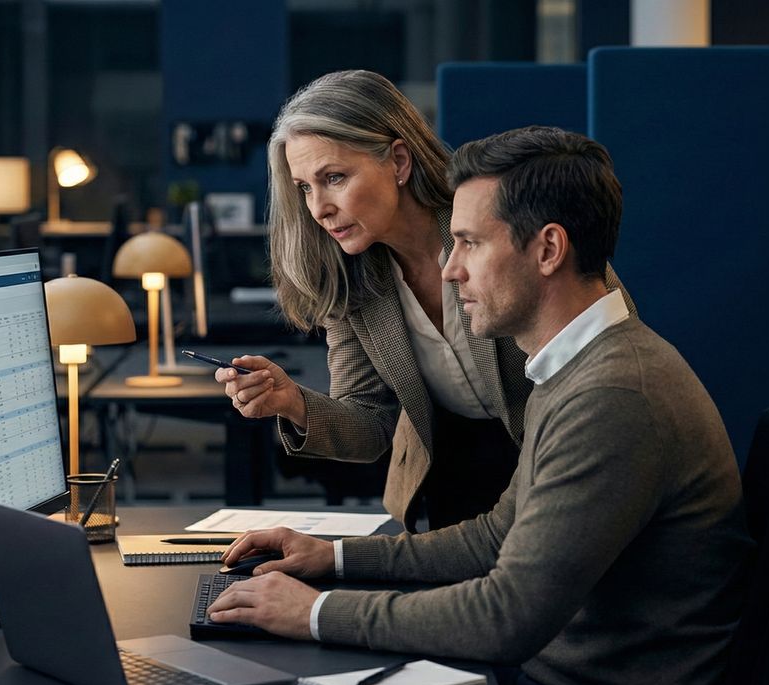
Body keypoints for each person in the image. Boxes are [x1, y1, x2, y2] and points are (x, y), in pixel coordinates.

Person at [207, 127, 752, 685]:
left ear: (547, 250)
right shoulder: (570, 368)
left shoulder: (612, 396)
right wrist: (335, 558)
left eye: (469, 243)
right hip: (554, 669)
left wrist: (316, 613)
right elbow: (495, 538)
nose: (449, 270)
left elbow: (506, 618)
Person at [215, 70, 635, 530]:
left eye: (334, 177)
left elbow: (610, 338)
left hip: (557, 464)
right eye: (305, 188)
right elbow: (373, 423)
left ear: (398, 161)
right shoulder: (348, 277)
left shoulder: (496, 217)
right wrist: (292, 401)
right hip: (447, 485)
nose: (318, 208)